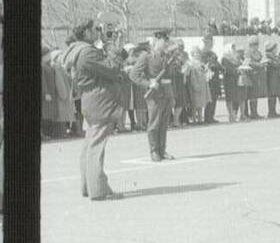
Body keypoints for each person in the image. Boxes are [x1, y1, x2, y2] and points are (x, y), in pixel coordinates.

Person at [62, 19, 126, 200]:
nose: (97, 32)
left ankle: (87, 187)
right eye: (94, 30)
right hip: (100, 102)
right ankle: (98, 190)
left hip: (91, 101)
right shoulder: (87, 52)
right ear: (86, 33)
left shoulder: (77, 50)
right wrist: (110, 45)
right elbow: (112, 68)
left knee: (90, 144)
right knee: (96, 147)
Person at [128, 29, 177, 162]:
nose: (167, 43)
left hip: (167, 92)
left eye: (167, 40)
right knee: (154, 123)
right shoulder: (147, 56)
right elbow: (133, 75)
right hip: (155, 94)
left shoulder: (168, 56)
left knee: (164, 123)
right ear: (157, 40)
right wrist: (148, 83)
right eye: (164, 40)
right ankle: (154, 150)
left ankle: (162, 149)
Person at [201, 35, 223, 123]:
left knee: (214, 98)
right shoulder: (204, 52)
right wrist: (214, 65)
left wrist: (221, 67)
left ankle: (211, 116)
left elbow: (217, 63)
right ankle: (207, 117)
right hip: (209, 78)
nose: (211, 43)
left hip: (215, 78)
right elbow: (206, 64)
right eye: (209, 41)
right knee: (209, 98)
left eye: (211, 41)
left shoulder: (212, 52)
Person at [186, 47, 210, 124]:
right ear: (192, 54)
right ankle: (194, 119)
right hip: (195, 83)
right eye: (196, 53)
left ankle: (200, 118)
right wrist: (195, 85)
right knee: (194, 103)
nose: (197, 55)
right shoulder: (190, 63)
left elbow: (205, 72)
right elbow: (191, 75)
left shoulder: (201, 63)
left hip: (202, 84)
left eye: (198, 53)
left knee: (201, 102)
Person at [221, 43, 243, 122]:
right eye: (232, 48)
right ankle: (230, 115)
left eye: (234, 48)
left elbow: (240, 65)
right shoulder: (224, 58)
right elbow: (226, 70)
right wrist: (236, 70)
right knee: (229, 98)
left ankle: (234, 114)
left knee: (235, 97)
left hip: (235, 79)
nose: (234, 50)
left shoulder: (235, 58)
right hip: (228, 80)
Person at [264, 41, 280, 118]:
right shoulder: (268, 56)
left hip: (276, 77)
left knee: (275, 94)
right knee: (272, 94)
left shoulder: (275, 56)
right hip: (272, 78)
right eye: (275, 48)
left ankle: (274, 111)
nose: (276, 49)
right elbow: (275, 64)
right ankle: (271, 112)